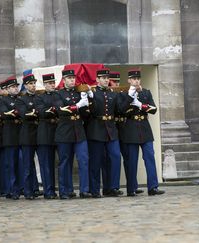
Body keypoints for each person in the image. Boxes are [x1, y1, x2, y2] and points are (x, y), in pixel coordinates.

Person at [119, 69, 164, 196]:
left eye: (138, 79)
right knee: (132, 160)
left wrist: (140, 104)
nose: (136, 81)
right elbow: (121, 110)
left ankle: (153, 187)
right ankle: (131, 188)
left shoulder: (146, 93)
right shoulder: (123, 94)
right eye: (133, 79)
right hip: (131, 128)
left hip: (145, 127)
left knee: (149, 157)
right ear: (129, 80)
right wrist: (129, 96)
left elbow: (153, 109)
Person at [54, 69, 92, 199]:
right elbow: (61, 111)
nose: (72, 80)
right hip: (64, 132)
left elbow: (86, 114)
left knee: (84, 160)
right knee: (65, 162)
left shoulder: (78, 93)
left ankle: (84, 190)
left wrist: (87, 103)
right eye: (69, 78)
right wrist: (78, 105)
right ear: (63, 80)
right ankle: (65, 191)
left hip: (79, 132)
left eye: (73, 78)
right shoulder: (58, 94)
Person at [86, 69, 122, 198]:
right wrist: (91, 96)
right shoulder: (94, 93)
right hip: (96, 129)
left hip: (111, 130)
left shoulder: (113, 94)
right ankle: (95, 189)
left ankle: (112, 187)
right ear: (97, 80)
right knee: (96, 161)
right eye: (103, 78)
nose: (106, 80)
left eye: (107, 78)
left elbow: (119, 110)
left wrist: (130, 97)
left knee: (115, 158)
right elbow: (92, 111)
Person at [108, 71, 143, 195]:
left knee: (129, 158)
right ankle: (113, 187)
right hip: (113, 127)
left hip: (125, 127)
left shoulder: (123, 93)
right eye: (113, 81)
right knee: (114, 157)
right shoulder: (109, 94)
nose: (116, 84)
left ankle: (132, 185)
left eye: (117, 81)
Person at [15, 74, 41, 200]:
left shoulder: (39, 97)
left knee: (41, 163)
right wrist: (37, 112)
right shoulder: (21, 100)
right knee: (28, 165)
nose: (33, 85)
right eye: (30, 84)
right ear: (25, 86)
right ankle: (28, 190)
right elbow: (24, 115)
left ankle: (36, 189)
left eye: (34, 83)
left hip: (40, 134)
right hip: (27, 135)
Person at [36, 73, 58, 199]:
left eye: (53, 83)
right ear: (44, 85)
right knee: (46, 164)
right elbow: (42, 112)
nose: (52, 85)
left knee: (59, 163)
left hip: (58, 131)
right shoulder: (40, 98)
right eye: (49, 83)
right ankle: (48, 190)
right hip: (45, 133)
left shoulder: (58, 95)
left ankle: (58, 188)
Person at [0, 77, 22, 200]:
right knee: (11, 164)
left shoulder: (20, 99)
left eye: (16, 86)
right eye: (13, 87)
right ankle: (12, 189)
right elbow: (4, 114)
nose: (16, 88)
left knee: (20, 162)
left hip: (20, 135)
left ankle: (20, 188)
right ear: (8, 89)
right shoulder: (4, 101)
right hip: (10, 136)